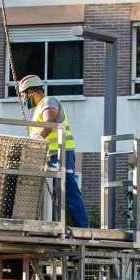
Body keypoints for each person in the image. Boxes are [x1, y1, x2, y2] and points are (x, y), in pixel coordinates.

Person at [17, 73, 88, 228]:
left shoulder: (48, 102)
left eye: (23, 95)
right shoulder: (36, 111)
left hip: (62, 154)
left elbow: (50, 120)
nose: (23, 99)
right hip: (49, 155)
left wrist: (39, 139)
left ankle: (82, 228)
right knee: (53, 193)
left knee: (68, 190)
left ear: (31, 92)